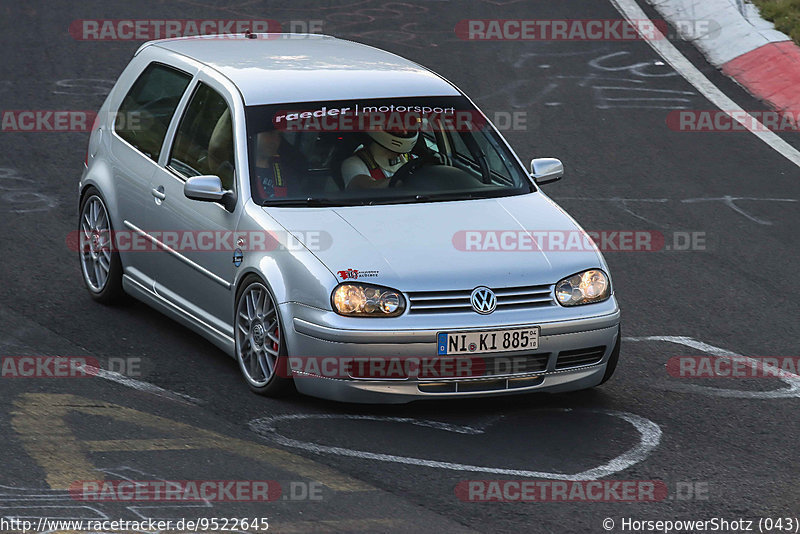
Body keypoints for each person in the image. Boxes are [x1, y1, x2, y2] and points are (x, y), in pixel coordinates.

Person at [340, 128, 418, 189]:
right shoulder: (354, 164)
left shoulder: (414, 160)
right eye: (395, 126)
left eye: (408, 125)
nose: (404, 131)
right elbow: (368, 189)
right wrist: (410, 177)